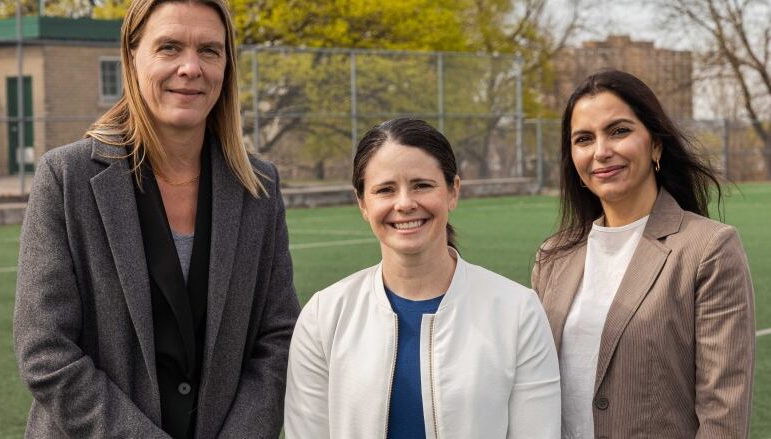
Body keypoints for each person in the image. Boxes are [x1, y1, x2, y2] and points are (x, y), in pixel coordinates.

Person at [13, 0, 300, 437]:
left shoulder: (258, 186)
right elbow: (45, 349)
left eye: (209, 50)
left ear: (226, 65)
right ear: (132, 56)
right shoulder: (66, 177)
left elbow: (278, 339)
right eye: (169, 47)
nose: (191, 67)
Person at [284, 117, 560, 439]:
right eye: (385, 190)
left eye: (422, 185)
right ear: (362, 203)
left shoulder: (518, 312)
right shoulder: (324, 316)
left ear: (453, 192)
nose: (404, 204)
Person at [532, 69, 755, 438]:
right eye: (584, 139)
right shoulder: (552, 257)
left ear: (655, 144)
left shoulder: (708, 249)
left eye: (619, 131)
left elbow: (724, 413)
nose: (602, 151)